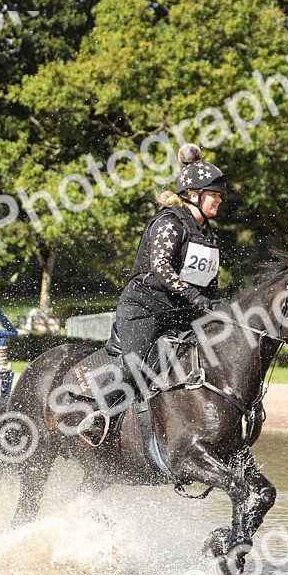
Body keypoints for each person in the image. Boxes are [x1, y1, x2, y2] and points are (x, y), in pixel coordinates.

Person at [78, 142, 229, 446]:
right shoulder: (169, 222)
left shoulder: (209, 234)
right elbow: (161, 267)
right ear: (193, 195)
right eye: (213, 194)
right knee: (137, 363)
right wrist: (195, 298)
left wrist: (216, 304)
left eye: (219, 195)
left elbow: (208, 278)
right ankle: (97, 414)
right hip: (144, 309)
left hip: (179, 314)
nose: (219, 200)